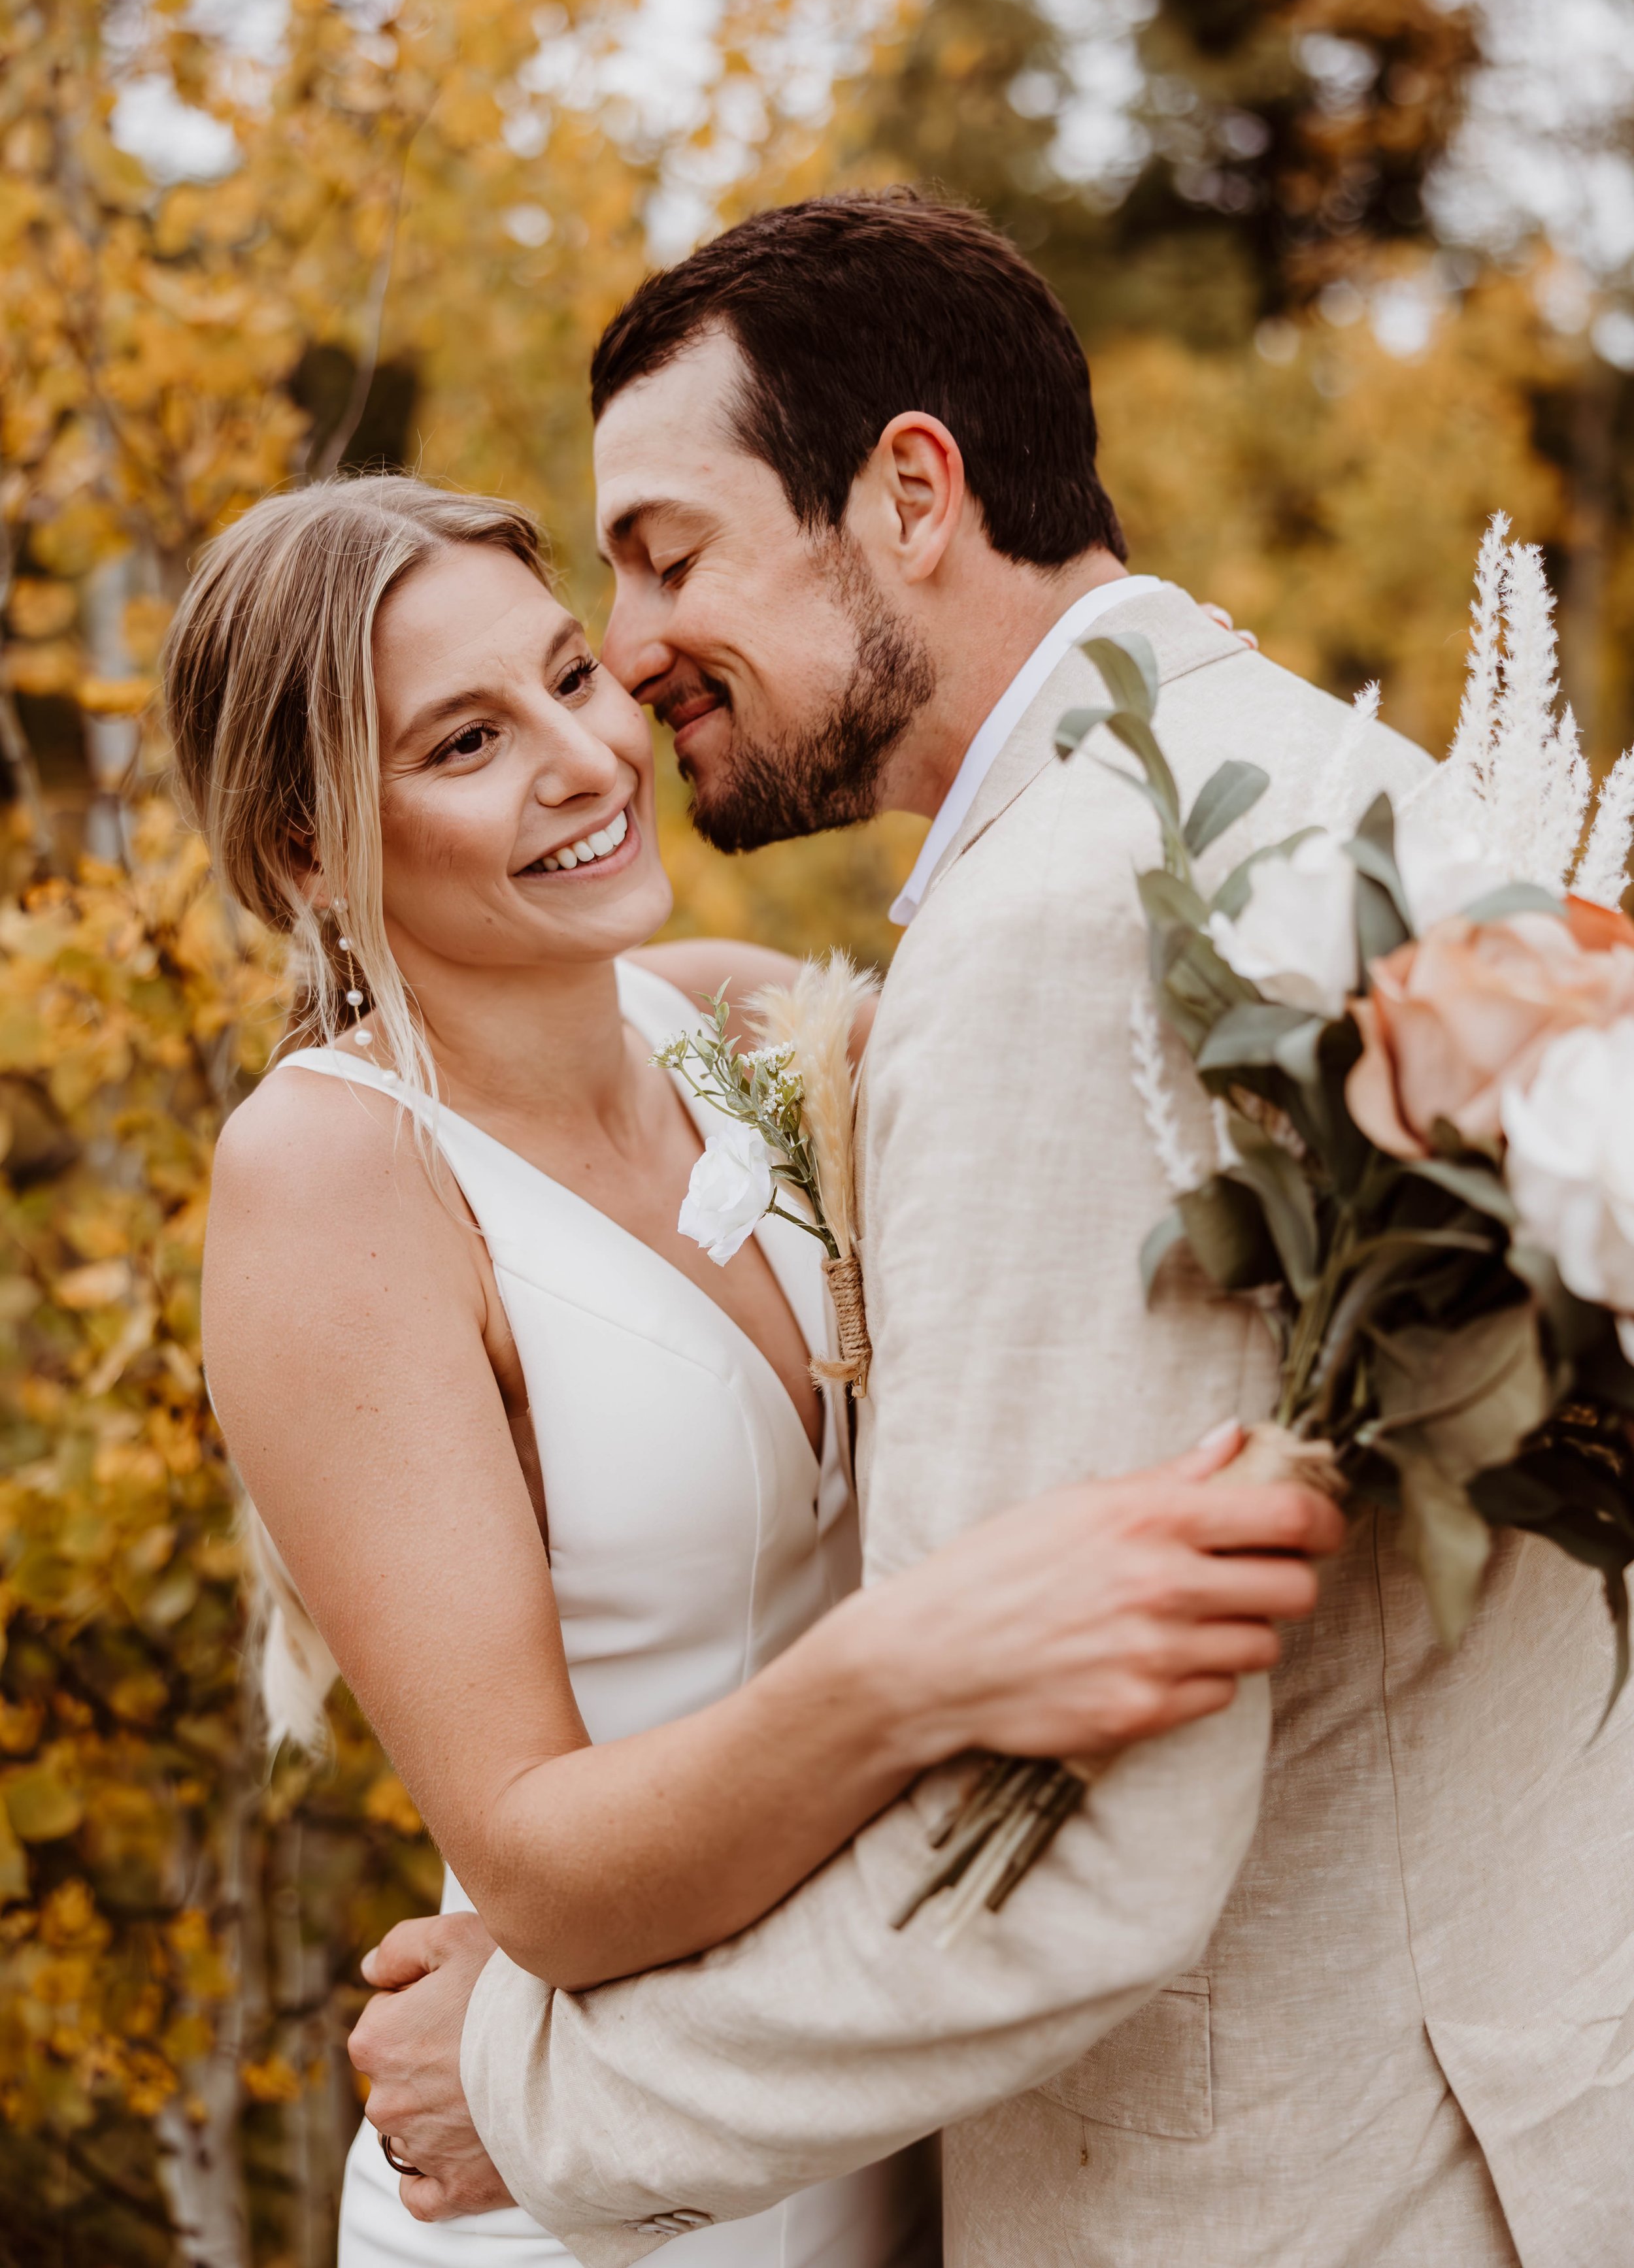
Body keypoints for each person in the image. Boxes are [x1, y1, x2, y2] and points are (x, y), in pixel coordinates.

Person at [352, 191, 1634, 2268]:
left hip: (1296, 2186)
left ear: (912, 493)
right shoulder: (1308, 773)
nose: (631, 649)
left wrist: (540, 2095)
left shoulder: (1057, 931)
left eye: (669, 554)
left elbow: (1082, 1861)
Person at [168, 472, 1340, 2268]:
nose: (581, 758)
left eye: (570, 676)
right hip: (572, 2194)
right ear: (308, 852)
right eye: (466, 740)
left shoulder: (743, 1023)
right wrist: (916, 1663)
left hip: (868, 2117)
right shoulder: (330, 1180)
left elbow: (1098, 1164)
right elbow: (544, 1863)